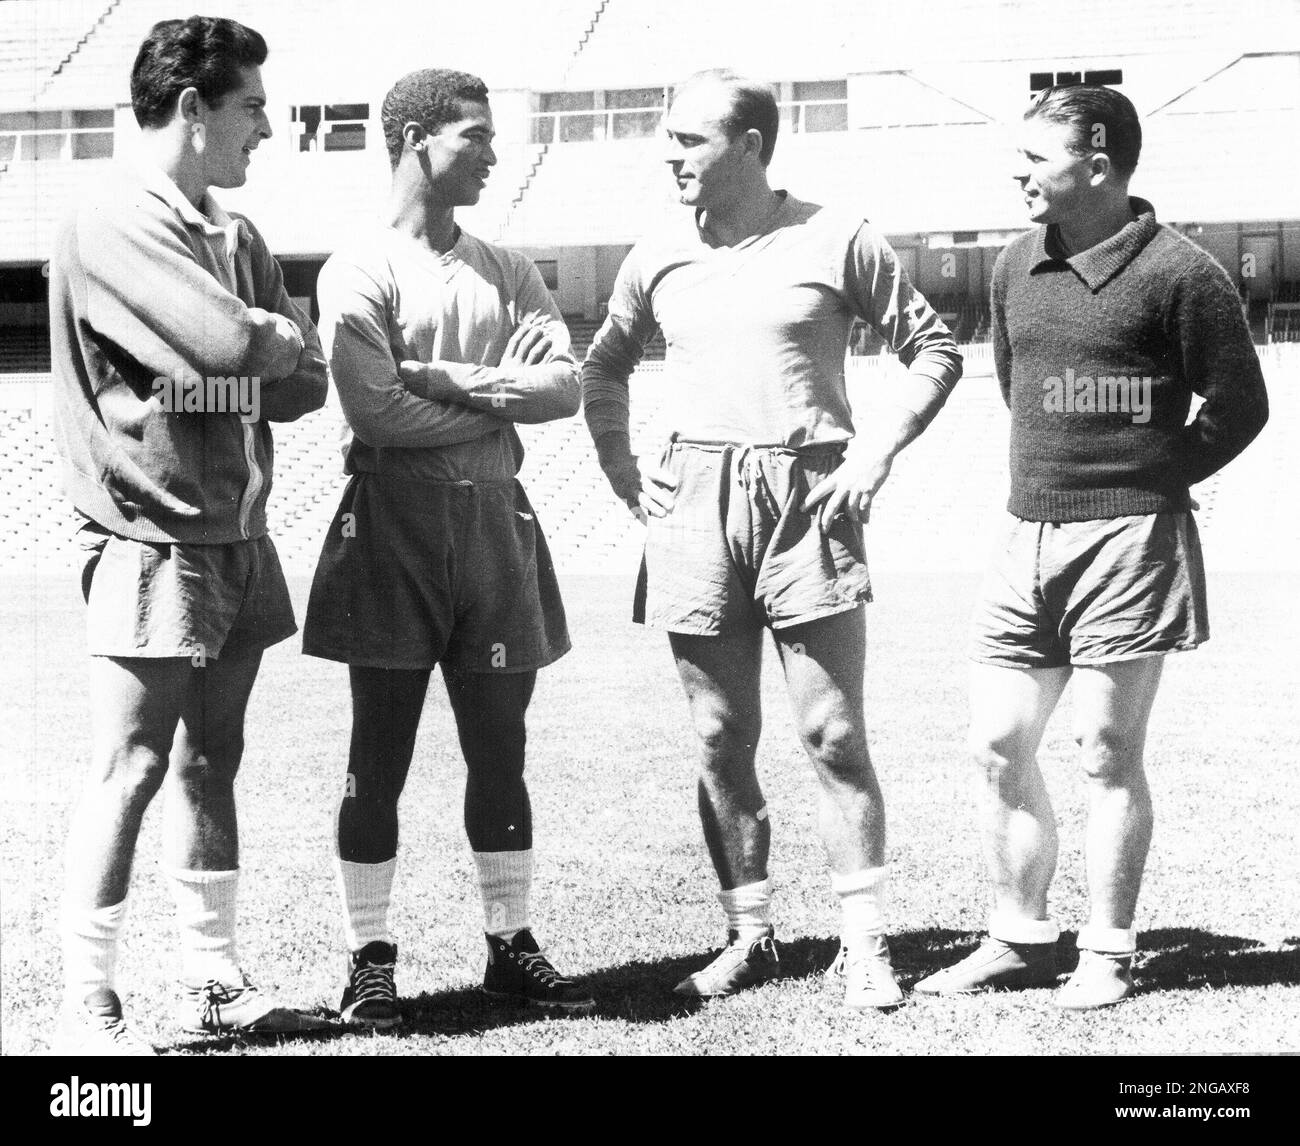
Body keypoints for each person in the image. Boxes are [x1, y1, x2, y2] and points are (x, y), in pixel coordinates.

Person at [582, 70, 962, 1010]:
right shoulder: (656, 252)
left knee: (832, 733)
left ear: (750, 146)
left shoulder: (837, 235)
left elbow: (935, 349)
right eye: (667, 140)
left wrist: (872, 455)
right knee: (719, 734)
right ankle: (749, 933)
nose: (670, 157)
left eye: (690, 141)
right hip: (695, 500)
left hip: (805, 497)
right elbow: (604, 367)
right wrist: (623, 468)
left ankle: (864, 943)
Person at [914, 84, 1268, 1010]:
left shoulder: (1184, 273)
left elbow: (1241, 406)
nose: (1018, 175)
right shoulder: (1010, 265)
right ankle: (1019, 938)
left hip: (1131, 537)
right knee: (996, 743)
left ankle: (1107, 951)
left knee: (1106, 750)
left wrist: (1157, 474)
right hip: (1023, 530)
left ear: (1098, 164)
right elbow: (1015, 387)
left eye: (1035, 159)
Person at [49, 16, 330, 1054]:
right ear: (190, 108)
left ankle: (213, 982)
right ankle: (89, 1003)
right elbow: (233, 339)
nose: (269, 125)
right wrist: (253, 350)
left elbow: (302, 387)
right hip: (149, 535)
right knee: (129, 762)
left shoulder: (238, 236)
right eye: (251, 106)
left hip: (237, 533)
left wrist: (234, 363)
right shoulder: (115, 220)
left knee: (213, 758)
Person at [303, 68, 591, 1026]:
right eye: (476, 135)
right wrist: (488, 397)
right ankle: (370, 957)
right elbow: (373, 411)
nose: (495, 154)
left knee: (499, 749)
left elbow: (565, 389)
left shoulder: (507, 268)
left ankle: (511, 946)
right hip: (393, 527)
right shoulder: (357, 267)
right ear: (419, 138)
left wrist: (447, 380)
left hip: (493, 530)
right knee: (375, 753)